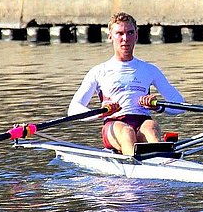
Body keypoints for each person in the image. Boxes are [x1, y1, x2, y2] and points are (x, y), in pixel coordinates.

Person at [68, 12, 184, 155]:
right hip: (114, 123)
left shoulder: (149, 70)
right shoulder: (99, 71)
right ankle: (135, 168)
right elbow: (73, 109)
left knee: (151, 128)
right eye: (119, 33)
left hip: (143, 121)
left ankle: (161, 164)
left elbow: (180, 105)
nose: (125, 38)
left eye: (130, 33)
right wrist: (101, 113)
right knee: (127, 133)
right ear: (110, 36)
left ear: (136, 35)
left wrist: (158, 106)